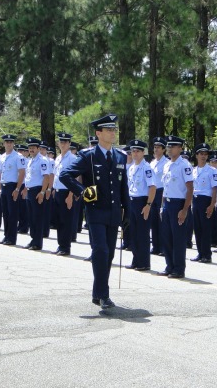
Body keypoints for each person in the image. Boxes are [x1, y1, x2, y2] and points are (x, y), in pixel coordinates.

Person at [60, 114, 129, 309]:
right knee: (100, 250)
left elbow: (123, 186)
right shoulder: (88, 156)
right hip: (95, 211)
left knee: (109, 256)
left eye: (114, 129)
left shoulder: (120, 156)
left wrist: (128, 211)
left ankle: (97, 293)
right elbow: (66, 175)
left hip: (114, 212)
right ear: (98, 133)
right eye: (108, 130)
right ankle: (104, 295)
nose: (112, 132)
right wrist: (84, 193)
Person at [156, 135, 193, 279]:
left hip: (179, 204)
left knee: (178, 238)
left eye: (173, 147)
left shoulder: (184, 165)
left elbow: (190, 188)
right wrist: (161, 206)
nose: (170, 149)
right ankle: (169, 266)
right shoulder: (167, 165)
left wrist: (184, 209)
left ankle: (179, 268)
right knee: (166, 237)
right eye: (169, 147)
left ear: (180, 148)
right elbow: (165, 187)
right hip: (167, 204)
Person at [125, 139, 156, 271]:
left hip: (142, 201)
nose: (135, 154)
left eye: (138, 151)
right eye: (133, 151)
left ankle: (144, 262)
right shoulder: (131, 167)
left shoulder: (147, 168)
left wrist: (148, 204)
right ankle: (136, 260)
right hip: (132, 201)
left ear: (143, 153)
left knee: (142, 234)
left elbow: (152, 187)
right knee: (133, 233)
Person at [190, 143, 217, 263]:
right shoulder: (193, 171)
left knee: (206, 228)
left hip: (206, 200)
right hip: (195, 200)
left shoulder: (212, 171)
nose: (203, 156)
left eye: (205, 154)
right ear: (196, 155)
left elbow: (214, 189)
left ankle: (207, 254)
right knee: (197, 228)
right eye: (201, 154)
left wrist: (212, 205)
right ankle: (200, 252)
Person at [22, 137, 51, 250]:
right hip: (30, 190)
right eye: (29, 148)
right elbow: (29, 177)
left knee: (37, 218)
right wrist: (25, 188)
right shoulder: (30, 161)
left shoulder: (42, 160)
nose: (31, 150)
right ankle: (33, 239)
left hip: (38, 190)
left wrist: (43, 192)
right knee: (31, 217)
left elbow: (46, 177)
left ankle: (37, 243)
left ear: (38, 148)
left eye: (33, 148)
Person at [0, 134, 26, 246]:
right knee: (5, 213)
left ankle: (12, 238)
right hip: (4, 185)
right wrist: (0, 185)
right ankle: (6, 235)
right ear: (4, 143)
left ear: (13, 143)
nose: (9, 144)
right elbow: (1, 172)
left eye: (11, 142)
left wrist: (17, 188)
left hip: (13, 186)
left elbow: (22, 173)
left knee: (12, 213)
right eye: (7, 142)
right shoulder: (2, 157)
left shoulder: (18, 156)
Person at [53, 132, 77, 256]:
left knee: (66, 220)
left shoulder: (72, 159)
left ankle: (66, 247)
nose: (62, 144)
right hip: (57, 191)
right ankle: (60, 244)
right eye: (60, 142)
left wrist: (71, 195)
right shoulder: (58, 158)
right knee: (59, 220)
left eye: (65, 142)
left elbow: (75, 178)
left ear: (69, 144)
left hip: (66, 193)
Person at [149, 137, 168, 256]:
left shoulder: (166, 162)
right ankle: (155, 246)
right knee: (153, 220)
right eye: (155, 147)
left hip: (161, 191)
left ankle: (163, 247)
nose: (156, 149)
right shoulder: (152, 163)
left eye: (158, 147)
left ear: (163, 149)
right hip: (152, 192)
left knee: (162, 221)